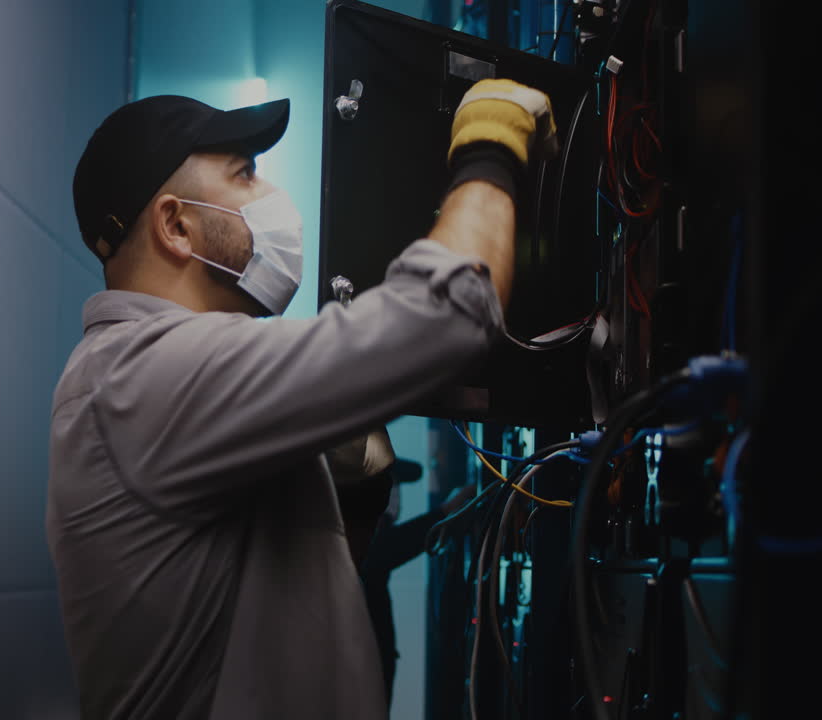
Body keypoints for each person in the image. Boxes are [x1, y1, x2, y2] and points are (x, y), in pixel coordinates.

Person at [46, 78, 555, 720]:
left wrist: (357, 506)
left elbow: (289, 613)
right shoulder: (140, 373)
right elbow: (446, 320)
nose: (273, 199)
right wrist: (491, 141)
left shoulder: (151, 372)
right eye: (246, 174)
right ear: (175, 225)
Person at [358, 462, 477, 705]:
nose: (395, 497)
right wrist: (445, 513)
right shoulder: (347, 550)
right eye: (389, 485)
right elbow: (377, 554)